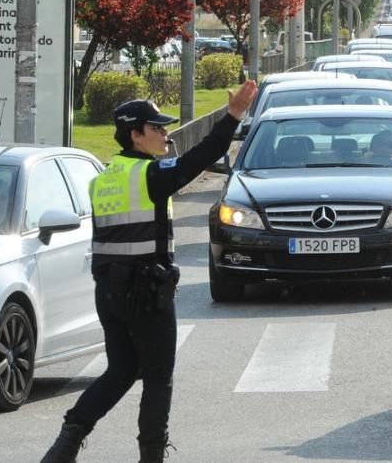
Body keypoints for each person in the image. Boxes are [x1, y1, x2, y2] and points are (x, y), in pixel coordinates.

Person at [40, 80, 257, 463]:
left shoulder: (102, 179)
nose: (165, 133)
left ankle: (68, 440)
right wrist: (233, 115)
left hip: (109, 291)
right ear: (136, 136)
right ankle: (151, 456)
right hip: (146, 291)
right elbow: (202, 156)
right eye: (157, 128)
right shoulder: (149, 176)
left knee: (121, 371)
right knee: (158, 378)